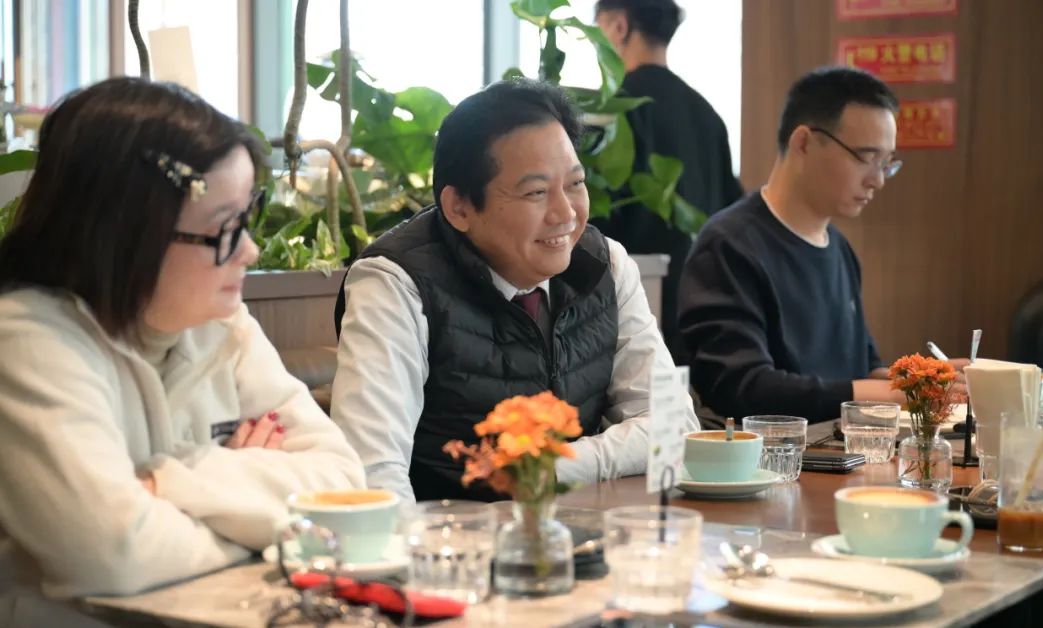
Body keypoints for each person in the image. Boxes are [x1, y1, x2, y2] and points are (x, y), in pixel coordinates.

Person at [0, 77, 367, 628]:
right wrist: (259, 517)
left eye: (248, 219)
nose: (250, 249)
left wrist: (175, 479)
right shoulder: (25, 341)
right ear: (125, 232)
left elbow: (344, 489)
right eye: (225, 229)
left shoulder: (218, 326)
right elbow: (113, 555)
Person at [332, 78, 698, 507]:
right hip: (449, 537)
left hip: (577, 530)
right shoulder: (396, 283)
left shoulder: (604, 265)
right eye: (536, 192)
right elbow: (372, 478)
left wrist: (552, 466)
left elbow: (672, 425)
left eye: (575, 184)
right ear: (460, 208)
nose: (565, 213)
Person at [680, 66, 935, 424]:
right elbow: (742, 387)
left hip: (842, 448)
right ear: (803, 142)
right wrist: (878, 393)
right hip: (769, 454)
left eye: (887, 164)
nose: (877, 180)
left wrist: (925, 381)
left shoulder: (840, 249)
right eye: (866, 158)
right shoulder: (728, 245)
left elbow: (862, 370)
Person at [592, 0, 743, 362]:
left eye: (597, 30)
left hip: (632, 316)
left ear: (618, 26)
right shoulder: (707, 115)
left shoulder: (613, 111)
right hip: (704, 312)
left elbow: (594, 226)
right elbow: (732, 213)